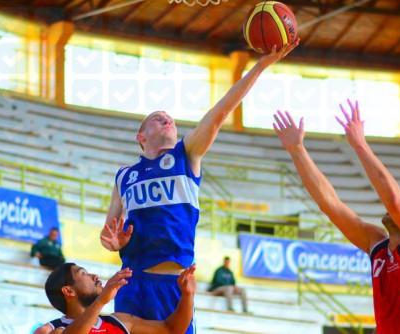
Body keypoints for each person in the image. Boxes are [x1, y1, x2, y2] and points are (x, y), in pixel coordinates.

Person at [99, 40, 299, 333]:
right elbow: (110, 231)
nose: (166, 119)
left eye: (170, 119)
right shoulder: (124, 175)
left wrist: (262, 64)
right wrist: (112, 242)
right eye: (157, 118)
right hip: (133, 279)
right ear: (141, 136)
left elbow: (220, 113)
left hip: (175, 282)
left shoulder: (187, 152)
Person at [273, 102, 400, 333]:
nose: (397, 203)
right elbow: (331, 204)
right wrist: (297, 150)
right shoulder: (377, 243)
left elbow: (395, 202)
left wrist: (360, 145)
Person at [33, 263, 196, 334]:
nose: (94, 275)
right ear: (68, 291)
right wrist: (101, 301)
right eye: (83, 273)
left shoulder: (120, 321)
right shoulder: (49, 330)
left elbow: (172, 330)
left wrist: (188, 295)